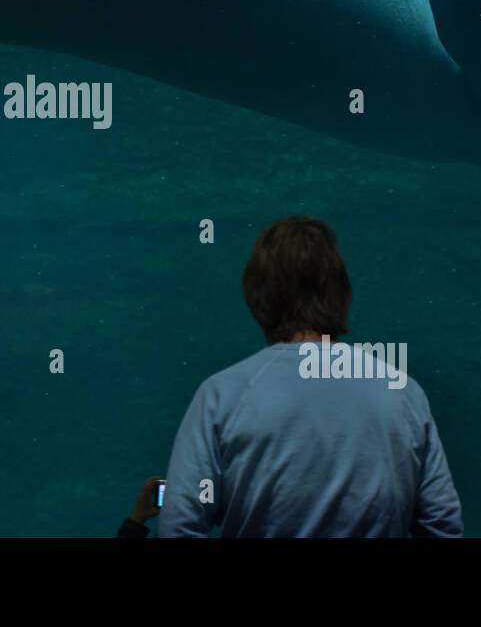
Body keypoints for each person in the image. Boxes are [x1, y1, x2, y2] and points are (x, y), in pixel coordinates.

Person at [158, 216, 463, 537]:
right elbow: (442, 521)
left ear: (257, 295)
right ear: (341, 292)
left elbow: (180, 523)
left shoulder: (221, 396)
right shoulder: (403, 393)